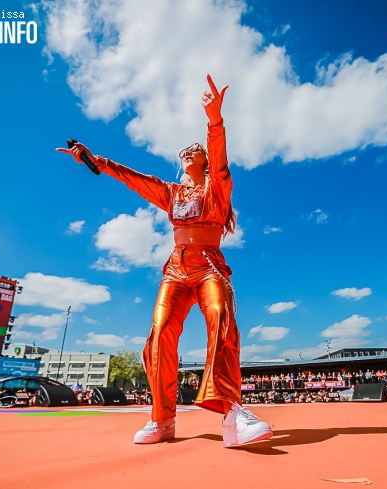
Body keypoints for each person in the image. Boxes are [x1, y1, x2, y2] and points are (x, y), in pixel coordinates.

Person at [58, 75, 272, 447]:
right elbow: (135, 179)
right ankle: (162, 419)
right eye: (183, 152)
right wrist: (95, 161)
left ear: (204, 158)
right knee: (159, 335)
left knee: (222, 320)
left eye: (194, 149)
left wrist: (214, 120)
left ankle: (233, 414)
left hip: (209, 266)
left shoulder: (217, 188)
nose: (187, 153)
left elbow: (220, 160)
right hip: (175, 268)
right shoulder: (172, 193)